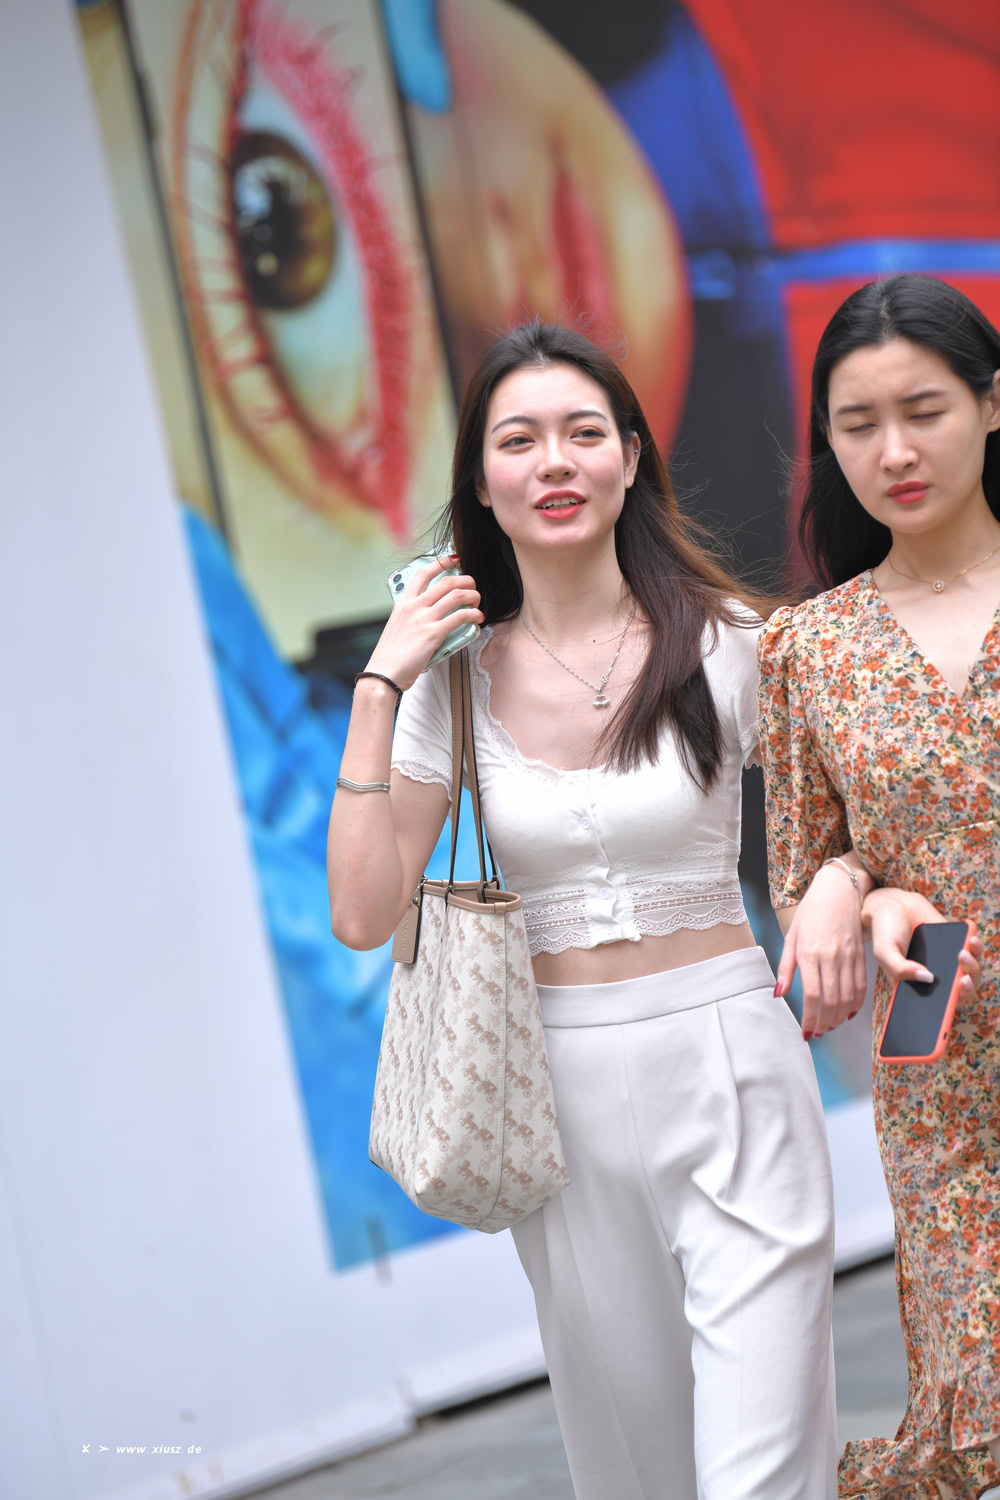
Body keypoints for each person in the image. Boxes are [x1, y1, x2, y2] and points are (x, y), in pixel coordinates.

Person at [328, 321, 845, 1499]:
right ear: (481, 483)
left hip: (732, 1067)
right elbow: (361, 912)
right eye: (518, 441)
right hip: (553, 1102)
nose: (553, 461)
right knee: (637, 1472)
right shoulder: (449, 685)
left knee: (761, 1467)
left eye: (581, 433)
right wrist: (382, 682)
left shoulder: (730, 643)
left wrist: (837, 881)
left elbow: (854, 816)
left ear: (628, 456)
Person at [757, 272, 998, 1498]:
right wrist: (850, 886)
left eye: (924, 411)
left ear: (992, 404)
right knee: (979, 1395)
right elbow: (797, 867)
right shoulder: (807, 649)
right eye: (857, 424)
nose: (893, 452)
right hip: (943, 1064)